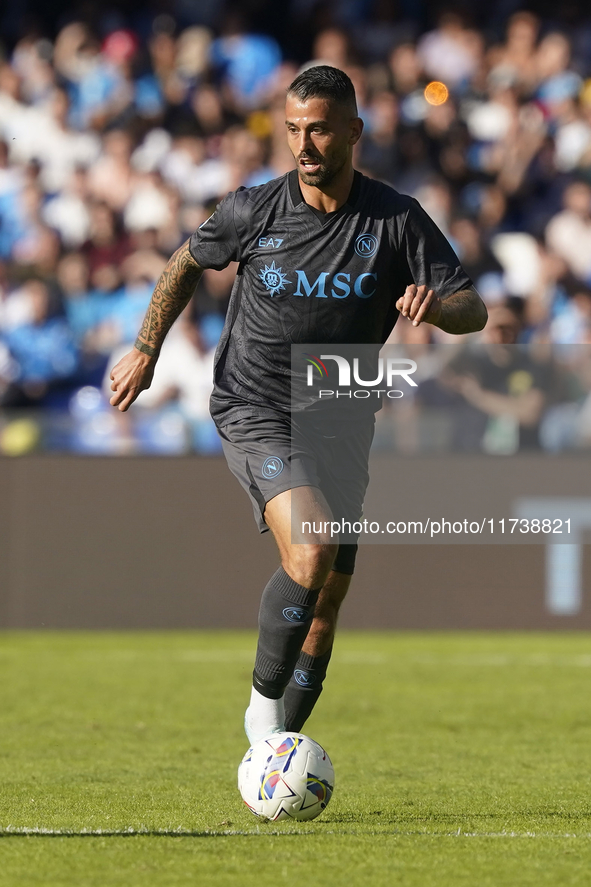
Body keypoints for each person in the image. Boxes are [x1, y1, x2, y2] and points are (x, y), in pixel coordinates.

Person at [109, 66, 487, 744]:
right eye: (291, 131)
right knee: (310, 552)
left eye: (316, 129)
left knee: (325, 602)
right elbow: (185, 262)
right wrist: (145, 346)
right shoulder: (253, 209)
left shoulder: (394, 218)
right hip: (255, 400)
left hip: (339, 408)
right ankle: (262, 720)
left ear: (351, 131)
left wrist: (436, 309)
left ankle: (280, 754)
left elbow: (472, 308)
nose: (303, 145)